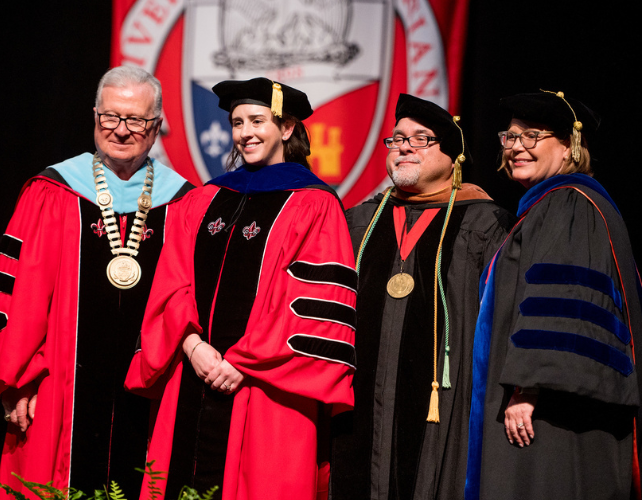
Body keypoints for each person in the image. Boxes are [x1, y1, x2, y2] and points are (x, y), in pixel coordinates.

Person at [0, 66, 193, 498]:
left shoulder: (184, 202)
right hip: (59, 387)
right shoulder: (52, 191)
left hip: (152, 386)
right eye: (110, 117)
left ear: (156, 126)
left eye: (136, 120)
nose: (121, 130)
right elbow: (20, 296)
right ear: (94, 116)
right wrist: (18, 380)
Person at [125, 77, 356, 500]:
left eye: (257, 120)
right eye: (237, 123)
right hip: (193, 374)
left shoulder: (315, 203)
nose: (245, 133)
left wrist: (242, 361)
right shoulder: (205, 198)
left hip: (267, 386)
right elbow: (173, 280)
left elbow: (309, 305)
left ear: (286, 128)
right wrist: (193, 345)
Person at [330, 94, 514, 500]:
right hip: (358, 401)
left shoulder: (484, 222)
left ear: (454, 157)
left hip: (445, 399)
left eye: (421, 139)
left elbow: (502, 321)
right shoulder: (361, 219)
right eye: (396, 139)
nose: (404, 146)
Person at [465, 91, 642, 500]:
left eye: (532, 135)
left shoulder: (569, 205)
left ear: (569, 146)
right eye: (510, 138)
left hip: (549, 413)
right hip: (547, 404)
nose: (516, 148)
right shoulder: (555, 206)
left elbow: (562, 301)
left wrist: (527, 388)